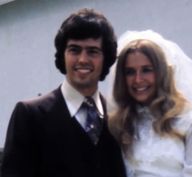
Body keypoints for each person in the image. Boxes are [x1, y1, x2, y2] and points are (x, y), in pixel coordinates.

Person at [1, 8, 126, 177]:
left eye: (92, 51)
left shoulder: (116, 117)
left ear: (106, 58)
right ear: (63, 54)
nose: (83, 59)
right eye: (74, 50)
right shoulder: (30, 115)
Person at [108, 30, 192, 177]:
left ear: (162, 72)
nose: (138, 80)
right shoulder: (118, 123)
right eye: (130, 72)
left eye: (146, 70)